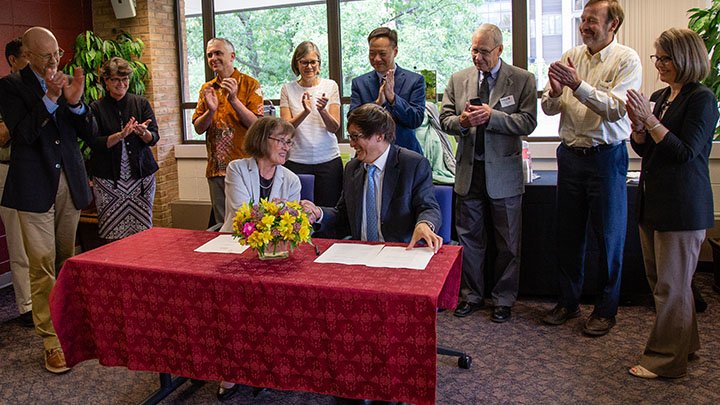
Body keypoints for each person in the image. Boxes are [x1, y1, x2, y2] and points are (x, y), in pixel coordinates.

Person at [540, 0, 642, 337]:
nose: (585, 26)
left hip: (606, 158)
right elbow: (550, 106)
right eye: (583, 20)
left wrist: (576, 85)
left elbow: (615, 109)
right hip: (569, 155)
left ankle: (605, 310)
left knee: (609, 237)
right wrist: (554, 93)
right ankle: (568, 303)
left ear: (613, 24)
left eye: (592, 20)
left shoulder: (626, 59)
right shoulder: (571, 55)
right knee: (567, 236)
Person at [625, 28, 718, 379]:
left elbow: (685, 152)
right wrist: (638, 128)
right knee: (662, 281)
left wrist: (649, 121)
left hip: (682, 206)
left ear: (685, 58)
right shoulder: (661, 95)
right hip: (653, 201)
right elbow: (647, 150)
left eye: (665, 58)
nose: (659, 64)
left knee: (671, 286)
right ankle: (686, 345)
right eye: (657, 57)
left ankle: (665, 361)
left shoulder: (702, 99)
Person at [0, 26, 94, 373]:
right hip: (33, 187)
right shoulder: (10, 87)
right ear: (27, 55)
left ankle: (69, 326)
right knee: (41, 265)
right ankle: (51, 341)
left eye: (58, 54)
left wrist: (76, 103)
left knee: (64, 261)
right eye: (46, 56)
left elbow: (89, 134)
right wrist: (51, 100)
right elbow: (22, 135)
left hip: (69, 183)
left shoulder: (66, 81)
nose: (55, 61)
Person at [440, 23, 537, 323]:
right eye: (473, 50)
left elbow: (528, 122)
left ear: (499, 50)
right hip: (469, 172)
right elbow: (444, 119)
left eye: (484, 51)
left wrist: (493, 117)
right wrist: (464, 122)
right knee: (469, 239)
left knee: (508, 242)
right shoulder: (459, 79)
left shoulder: (522, 79)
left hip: (504, 174)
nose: (477, 57)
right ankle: (470, 295)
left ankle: (504, 299)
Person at [216, 116, 300, 399]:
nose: (286, 147)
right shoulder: (237, 168)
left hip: (275, 254)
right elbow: (242, 215)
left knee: (274, 306)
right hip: (235, 249)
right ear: (263, 140)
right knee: (232, 307)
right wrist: (277, 210)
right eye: (281, 140)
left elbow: (291, 221)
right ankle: (229, 369)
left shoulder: (291, 178)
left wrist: (279, 213)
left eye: (289, 142)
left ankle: (266, 366)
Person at [302, 103, 442, 252]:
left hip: (400, 252)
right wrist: (319, 213)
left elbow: (428, 207)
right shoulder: (352, 168)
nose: (351, 144)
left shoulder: (412, 164)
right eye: (351, 137)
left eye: (355, 137)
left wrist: (424, 224)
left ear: (379, 136)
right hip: (360, 253)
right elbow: (343, 216)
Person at [192, 37, 264, 226]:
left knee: (248, 222)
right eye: (209, 55)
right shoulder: (207, 88)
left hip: (245, 166)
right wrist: (211, 110)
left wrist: (234, 100)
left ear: (232, 56)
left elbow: (257, 125)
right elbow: (199, 128)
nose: (213, 58)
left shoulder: (250, 84)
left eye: (218, 53)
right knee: (223, 224)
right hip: (217, 169)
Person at [87, 57, 159, 241]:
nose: (122, 83)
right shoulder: (96, 107)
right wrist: (120, 136)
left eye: (125, 79)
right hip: (109, 180)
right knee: (112, 232)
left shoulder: (141, 103)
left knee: (142, 232)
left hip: (140, 178)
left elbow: (154, 138)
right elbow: (93, 143)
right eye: (116, 80)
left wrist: (143, 133)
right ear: (106, 81)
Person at [280, 41, 342, 207]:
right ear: (297, 64)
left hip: (328, 161)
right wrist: (305, 112)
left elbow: (334, 127)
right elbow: (286, 129)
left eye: (313, 62)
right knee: (296, 214)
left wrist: (322, 111)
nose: (309, 66)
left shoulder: (330, 85)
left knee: (328, 213)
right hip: (296, 160)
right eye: (304, 62)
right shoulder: (287, 89)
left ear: (319, 64)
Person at [350, 27, 426, 155]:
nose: (377, 59)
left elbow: (416, 120)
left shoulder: (414, 80)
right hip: (368, 155)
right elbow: (353, 120)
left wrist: (393, 99)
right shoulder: (359, 83)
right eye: (372, 53)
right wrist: (377, 104)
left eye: (382, 54)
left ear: (395, 51)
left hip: (405, 155)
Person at [0, 36, 32, 327]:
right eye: (27, 56)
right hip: (8, 169)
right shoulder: (5, 90)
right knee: (19, 243)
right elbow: (2, 135)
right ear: (13, 60)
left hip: (36, 170)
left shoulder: (38, 88)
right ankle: (26, 306)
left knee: (40, 242)